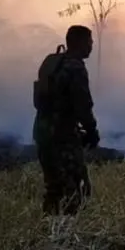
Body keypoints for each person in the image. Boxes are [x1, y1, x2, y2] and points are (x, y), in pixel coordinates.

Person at [32, 25, 100, 216]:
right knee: (76, 189)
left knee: (53, 188)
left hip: (43, 133)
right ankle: (70, 236)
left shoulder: (53, 63)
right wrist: (92, 132)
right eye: (89, 41)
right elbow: (83, 106)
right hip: (63, 138)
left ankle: (49, 230)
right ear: (79, 43)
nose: (91, 45)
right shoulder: (75, 67)